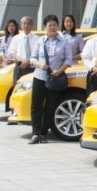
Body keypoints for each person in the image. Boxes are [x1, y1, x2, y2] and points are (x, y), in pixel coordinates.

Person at [27, 15, 74, 144]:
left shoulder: (64, 41)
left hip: (55, 79)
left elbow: (68, 59)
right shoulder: (40, 41)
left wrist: (59, 71)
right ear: (45, 27)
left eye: (54, 25)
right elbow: (32, 58)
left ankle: (43, 133)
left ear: (57, 26)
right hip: (39, 77)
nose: (52, 27)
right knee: (36, 106)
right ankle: (35, 133)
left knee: (50, 107)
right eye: (50, 25)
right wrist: (40, 65)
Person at [12, 16, 40, 84]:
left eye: (29, 24)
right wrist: (22, 61)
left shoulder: (37, 39)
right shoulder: (16, 38)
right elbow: (13, 53)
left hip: (32, 66)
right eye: (24, 24)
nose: (26, 26)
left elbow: (38, 53)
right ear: (21, 25)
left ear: (32, 25)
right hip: (20, 66)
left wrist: (28, 61)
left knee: (30, 88)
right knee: (17, 86)